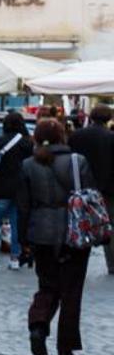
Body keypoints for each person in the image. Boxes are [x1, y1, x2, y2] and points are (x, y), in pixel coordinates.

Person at [18, 117, 94, 355]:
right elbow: (89, 196)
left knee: (48, 285)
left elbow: (23, 205)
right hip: (74, 233)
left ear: (36, 138)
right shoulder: (77, 162)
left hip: (41, 232)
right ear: (63, 136)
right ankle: (66, 347)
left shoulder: (28, 165)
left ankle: (38, 325)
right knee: (71, 291)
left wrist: (23, 239)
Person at [68, 104, 114, 275]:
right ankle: (112, 264)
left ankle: (79, 262)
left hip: (81, 187)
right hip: (107, 189)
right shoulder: (111, 137)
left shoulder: (77, 136)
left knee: (80, 223)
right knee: (110, 225)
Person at [0, 112, 32, 269]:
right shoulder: (27, 143)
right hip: (21, 189)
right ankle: (15, 259)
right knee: (17, 225)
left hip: (1, 186)